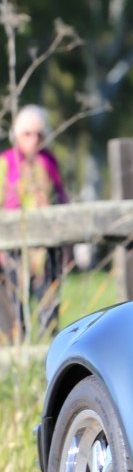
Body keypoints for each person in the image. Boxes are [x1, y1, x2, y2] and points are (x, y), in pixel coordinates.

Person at [1, 104, 69, 342]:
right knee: (14, 313)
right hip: (12, 252)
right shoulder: (6, 163)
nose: (34, 139)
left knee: (48, 310)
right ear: (17, 135)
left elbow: (62, 200)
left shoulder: (49, 163)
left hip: (46, 252)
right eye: (27, 133)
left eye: (39, 134)